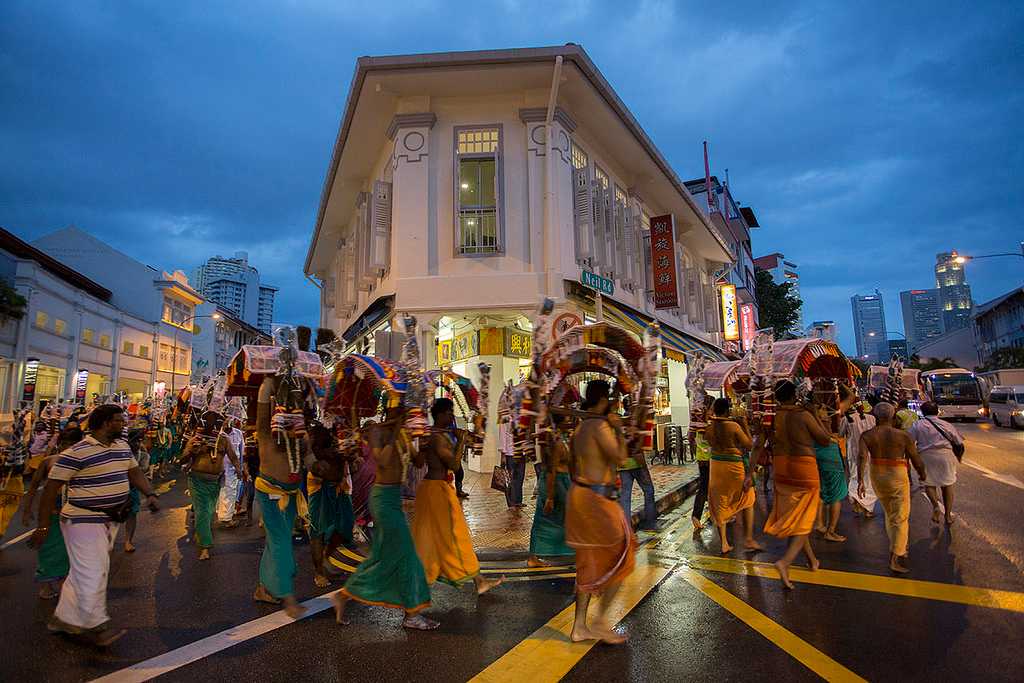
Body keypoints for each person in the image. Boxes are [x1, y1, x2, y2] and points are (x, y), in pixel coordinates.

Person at [29, 404, 159, 647]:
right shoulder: (76, 452)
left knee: (82, 572)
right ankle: (97, 625)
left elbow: (134, 473)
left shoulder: (122, 447)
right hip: (82, 520)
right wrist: (43, 527)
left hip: (109, 521)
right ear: (104, 423)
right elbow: (49, 491)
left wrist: (150, 493)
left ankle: (64, 619)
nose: (124, 425)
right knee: (94, 571)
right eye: (120, 421)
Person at [334, 407, 436, 630]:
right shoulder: (378, 432)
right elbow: (382, 460)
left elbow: (418, 463)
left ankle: (345, 594)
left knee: (382, 556)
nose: (402, 412)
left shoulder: (403, 433)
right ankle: (412, 614)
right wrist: (395, 431)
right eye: (398, 408)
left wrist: (422, 442)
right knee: (407, 554)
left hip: (393, 499)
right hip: (382, 499)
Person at [566, 380, 634, 644]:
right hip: (596, 501)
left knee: (588, 562)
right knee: (624, 554)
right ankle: (600, 621)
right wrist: (617, 430)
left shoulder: (580, 427)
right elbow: (620, 458)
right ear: (604, 401)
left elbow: (572, 465)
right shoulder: (599, 426)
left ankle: (579, 626)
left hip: (580, 494)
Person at [412, 398, 503, 594]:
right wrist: (461, 441)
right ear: (442, 414)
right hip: (438, 491)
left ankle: (478, 581)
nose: (452, 416)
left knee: (436, 537)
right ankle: (422, 584)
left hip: (430, 489)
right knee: (454, 535)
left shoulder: (431, 435)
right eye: (450, 412)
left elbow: (418, 462)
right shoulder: (436, 438)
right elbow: (453, 465)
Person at [763, 380, 831, 589]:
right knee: (806, 517)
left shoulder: (773, 417)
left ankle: (812, 559)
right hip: (804, 467)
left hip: (782, 467)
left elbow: (760, 444)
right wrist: (819, 418)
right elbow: (824, 440)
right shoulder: (803, 415)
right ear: (795, 395)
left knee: (798, 516)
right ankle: (785, 561)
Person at [252, 377, 307, 618]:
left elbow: (314, 463)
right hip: (270, 493)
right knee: (281, 542)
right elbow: (263, 411)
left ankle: (264, 588)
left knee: (277, 543)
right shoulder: (265, 434)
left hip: (292, 496)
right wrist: (269, 384)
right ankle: (288, 596)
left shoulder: (301, 440)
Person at [858, 402, 926, 573]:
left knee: (891, 514)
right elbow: (916, 459)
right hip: (897, 474)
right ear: (893, 415)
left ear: (875, 415)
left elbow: (861, 457)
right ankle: (897, 556)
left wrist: (860, 480)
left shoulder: (867, 435)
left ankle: (897, 546)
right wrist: (922, 474)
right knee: (901, 516)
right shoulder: (903, 436)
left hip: (877, 474)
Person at [22, 425, 82, 599]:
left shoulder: (83, 462)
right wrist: (27, 510)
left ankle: (66, 584)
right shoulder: (49, 461)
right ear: (60, 444)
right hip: (53, 514)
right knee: (48, 549)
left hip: (76, 514)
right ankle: (47, 586)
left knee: (71, 551)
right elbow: (33, 487)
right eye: (65, 444)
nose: (68, 448)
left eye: (72, 444)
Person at [179, 411, 243, 561]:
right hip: (197, 481)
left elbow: (233, 457)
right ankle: (205, 547)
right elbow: (182, 459)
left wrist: (240, 471)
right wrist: (192, 451)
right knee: (202, 512)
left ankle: (201, 533)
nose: (216, 426)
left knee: (209, 512)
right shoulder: (196, 439)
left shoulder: (224, 439)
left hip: (215, 482)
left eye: (218, 423)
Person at [705, 398, 761, 554]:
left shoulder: (710, 428)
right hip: (733, 466)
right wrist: (744, 425)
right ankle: (748, 539)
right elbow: (749, 445)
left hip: (716, 465)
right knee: (748, 498)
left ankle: (724, 542)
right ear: (727, 410)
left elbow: (707, 440)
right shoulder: (733, 426)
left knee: (720, 501)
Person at [307, 424, 356, 588]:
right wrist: (335, 452)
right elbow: (311, 453)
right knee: (318, 531)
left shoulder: (344, 429)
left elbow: (350, 460)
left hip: (339, 485)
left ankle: (326, 558)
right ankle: (319, 572)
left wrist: (350, 453)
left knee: (345, 526)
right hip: (320, 485)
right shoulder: (319, 431)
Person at [528, 412, 575, 566]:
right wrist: (549, 496)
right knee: (543, 519)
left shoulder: (563, 439)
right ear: (560, 422)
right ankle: (533, 557)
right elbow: (551, 470)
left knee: (563, 518)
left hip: (564, 482)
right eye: (567, 418)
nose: (570, 420)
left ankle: (570, 550)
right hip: (555, 483)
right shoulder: (555, 441)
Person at [908, 402, 963, 525]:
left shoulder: (917, 425)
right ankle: (948, 515)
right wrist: (959, 457)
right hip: (945, 456)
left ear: (922, 412)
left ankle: (935, 506)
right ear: (937, 412)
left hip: (926, 457)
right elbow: (958, 442)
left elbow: (909, 441)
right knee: (947, 485)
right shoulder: (946, 424)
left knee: (929, 483)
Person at [813, 384, 855, 542]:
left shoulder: (810, 411)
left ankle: (819, 523)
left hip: (815, 451)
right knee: (836, 494)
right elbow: (851, 396)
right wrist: (839, 382)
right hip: (830, 451)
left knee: (821, 490)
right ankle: (830, 531)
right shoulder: (833, 411)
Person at [616, 396, 657, 532]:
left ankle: (626, 529)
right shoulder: (636, 423)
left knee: (625, 498)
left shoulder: (621, 422)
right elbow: (638, 447)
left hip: (623, 465)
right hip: (637, 463)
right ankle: (650, 523)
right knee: (649, 491)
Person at [842, 402, 877, 517]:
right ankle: (868, 509)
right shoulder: (872, 418)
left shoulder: (846, 419)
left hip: (853, 454)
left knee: (854, 477)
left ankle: (857, 505)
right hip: (870, 453)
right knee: (869, 479)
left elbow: (841, 434)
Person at [123, 430, 151, 553]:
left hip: (132, 489)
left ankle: (128, 540)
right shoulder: (120, 453)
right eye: (135, 440)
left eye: (140, 441)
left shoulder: (143, 455)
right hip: (117, 488)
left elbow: (143, 471)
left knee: (132, 514)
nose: (138, 444)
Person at [216, 418, 246, 528]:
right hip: (218, 468)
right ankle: (225, 518)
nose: (226, 421)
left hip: (233, 469)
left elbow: (241, 452)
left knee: (231, 492)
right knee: (223, 492)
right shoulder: (217, 433)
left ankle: (226, 516)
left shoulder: (238, 433)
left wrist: (241, 468)